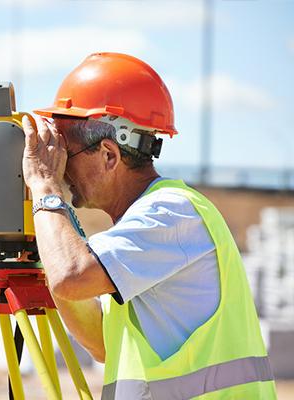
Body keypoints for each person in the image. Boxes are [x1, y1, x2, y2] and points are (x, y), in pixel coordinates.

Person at [22, 52, 276, 399]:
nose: (60, 167)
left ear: (109, 155)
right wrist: (49, 233)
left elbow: (71, 275)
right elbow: (101, 344)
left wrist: (44, 186)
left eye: (68, 153)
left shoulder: (172, 214)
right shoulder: (133, 236)